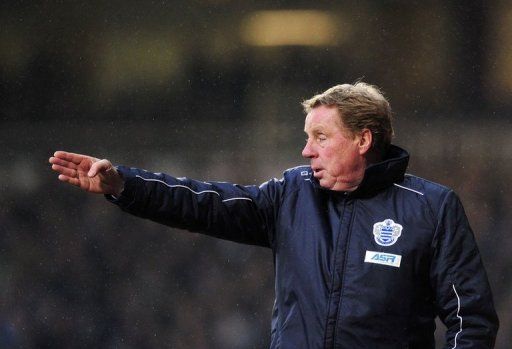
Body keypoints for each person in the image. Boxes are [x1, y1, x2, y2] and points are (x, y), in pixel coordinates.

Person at [49, 82, 499, 348]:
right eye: (307, 137)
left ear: (363, 140)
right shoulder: (291, 194)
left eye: (321, 137)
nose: (306, 150)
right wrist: (123, 185)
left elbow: (471, 318)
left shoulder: (430, 207)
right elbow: (203, 202)